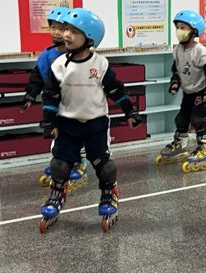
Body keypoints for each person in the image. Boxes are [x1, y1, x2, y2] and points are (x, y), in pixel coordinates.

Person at [39, 8, 144, 232]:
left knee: (104, 166)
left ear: (89, 38)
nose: (66, 35)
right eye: (66, 29)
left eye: (74, 32)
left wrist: (130, 112)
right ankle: (57, 194)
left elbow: (116, 89)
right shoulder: (58, 65)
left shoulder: (100, 64)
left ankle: (109, 194)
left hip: (96, 124)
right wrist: (49, 122)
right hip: (67, 123)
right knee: (59, 165)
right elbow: (50, 96)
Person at [23, 7, 88, 184]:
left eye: (62, 28)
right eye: (53, 28)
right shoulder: (47, 55)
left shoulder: (78, 53)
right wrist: (30, 95)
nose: (57, 32)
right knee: (58, 135)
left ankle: (79, 161)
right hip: (55, 103)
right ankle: (62, 162)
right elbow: (37, 77)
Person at [156, 10, 206, 171]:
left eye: (183, 28)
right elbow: (176, 70)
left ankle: (205, 148)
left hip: (200, 92)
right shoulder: (177, 50)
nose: (179, 31)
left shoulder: (200, 51)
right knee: (181, 119)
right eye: (178, 27)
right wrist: (175, 83)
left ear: (194, 31)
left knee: (197, 120)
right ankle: (181, 144)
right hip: (188, 92)